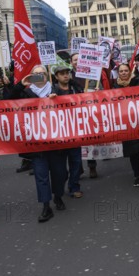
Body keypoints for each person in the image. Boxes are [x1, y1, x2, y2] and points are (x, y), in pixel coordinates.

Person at [8, 65, 68, 222]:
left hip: (56, 141)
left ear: (47, 76)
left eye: (41, 74)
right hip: (36, 142)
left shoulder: (56, 90)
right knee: (41, 176)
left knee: (59, 173)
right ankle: (46, 206)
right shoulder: (25, 92)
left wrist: (59, 100)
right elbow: (7, 99)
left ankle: (58, 196)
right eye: (35, 74)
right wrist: (22, 83)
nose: (39, 76)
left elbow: (71, 106)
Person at [114, 63, 139, 186]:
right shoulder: (115, 87)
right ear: (118, 73)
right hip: (127, 124)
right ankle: (137, 175)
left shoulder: (138, 82)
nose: (124, 73)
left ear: (130, 71)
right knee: (133, 151)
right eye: (121, 71)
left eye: (126, 70)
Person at [52, 64, 84, 198]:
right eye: (62, 73)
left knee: (76, 161)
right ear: (56, 76)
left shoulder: (75, 88)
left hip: (75, 130)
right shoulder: (52, 90)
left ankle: (74, 186)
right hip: (59, 132)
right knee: (60, 166)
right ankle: (62, 182)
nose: (65, 75)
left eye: (67, 73)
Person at [71, 52, 98, 179]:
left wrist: (97, 92)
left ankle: (92, 166)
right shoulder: (68, 75)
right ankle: (79, 168)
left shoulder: (90, 74)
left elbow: (98, 89)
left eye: (79, 59)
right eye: (74, 60)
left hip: (88, 111)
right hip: (74, 114)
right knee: (76, 141)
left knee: (89, 140)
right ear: (71, 63)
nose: (77, 61)